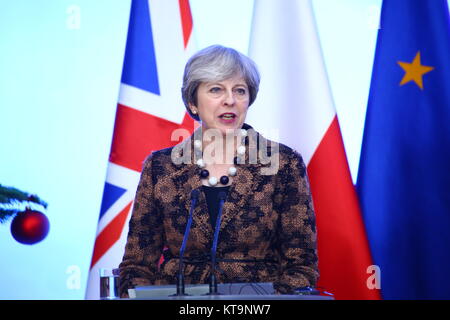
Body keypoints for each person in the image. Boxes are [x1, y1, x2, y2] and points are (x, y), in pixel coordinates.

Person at [118, 44, 318, 297]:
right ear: (193, 102)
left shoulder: (282, 163)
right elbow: (137, 264)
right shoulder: (161, 167)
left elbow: (301, 264)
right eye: (216, 89)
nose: (230, 100)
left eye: (239, 90)